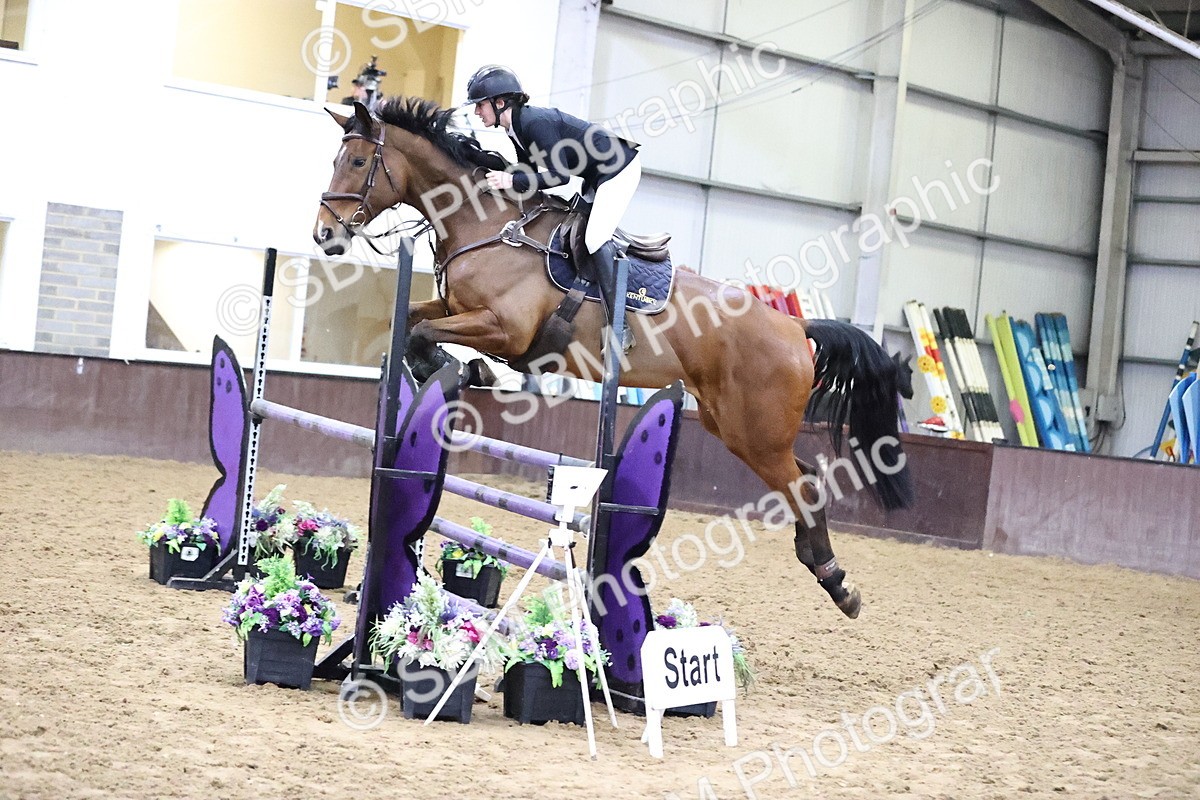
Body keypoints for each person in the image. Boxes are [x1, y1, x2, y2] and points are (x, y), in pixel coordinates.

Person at [465, 64, 641, 322]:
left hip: (618, 169)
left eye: (480, 105)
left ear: (500, 102)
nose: (477, 112)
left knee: (594, 239)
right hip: (594, 176)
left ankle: (620, 320)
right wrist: (481, 160)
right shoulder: (516, 127)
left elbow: (558, 177)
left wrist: (509, 179)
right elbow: (526, 172)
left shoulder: (535, 123)